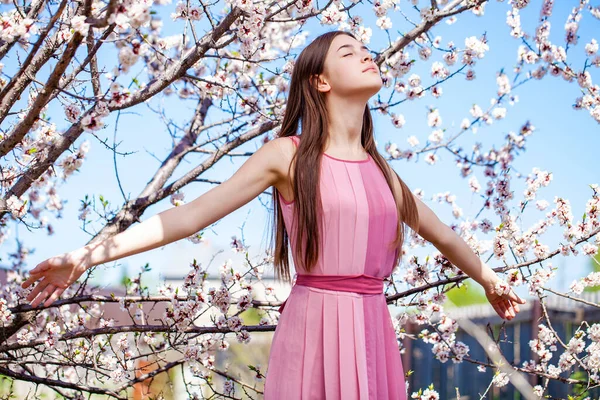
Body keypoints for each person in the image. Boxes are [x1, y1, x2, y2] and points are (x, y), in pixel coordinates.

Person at [22, 30, 526, 399]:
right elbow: (188, 217)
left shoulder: (382, 171)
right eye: (348, 52)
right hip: (314, 327)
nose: (367, 55)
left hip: (373, 325)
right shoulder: (286, 155)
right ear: (321, 80)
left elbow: (442, 233)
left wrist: (488, 277)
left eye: (366, 49)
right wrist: (87, 256)